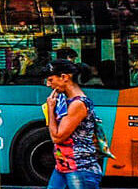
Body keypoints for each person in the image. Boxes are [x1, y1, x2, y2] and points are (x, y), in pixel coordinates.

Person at [44, 60, 103, 189]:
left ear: (64, 77)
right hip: (63, 166)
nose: (48, 84)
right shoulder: (66, 100)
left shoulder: (78, 104)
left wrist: (50, 109)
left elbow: (57, 137)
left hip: (80, 168)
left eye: (50, 80)